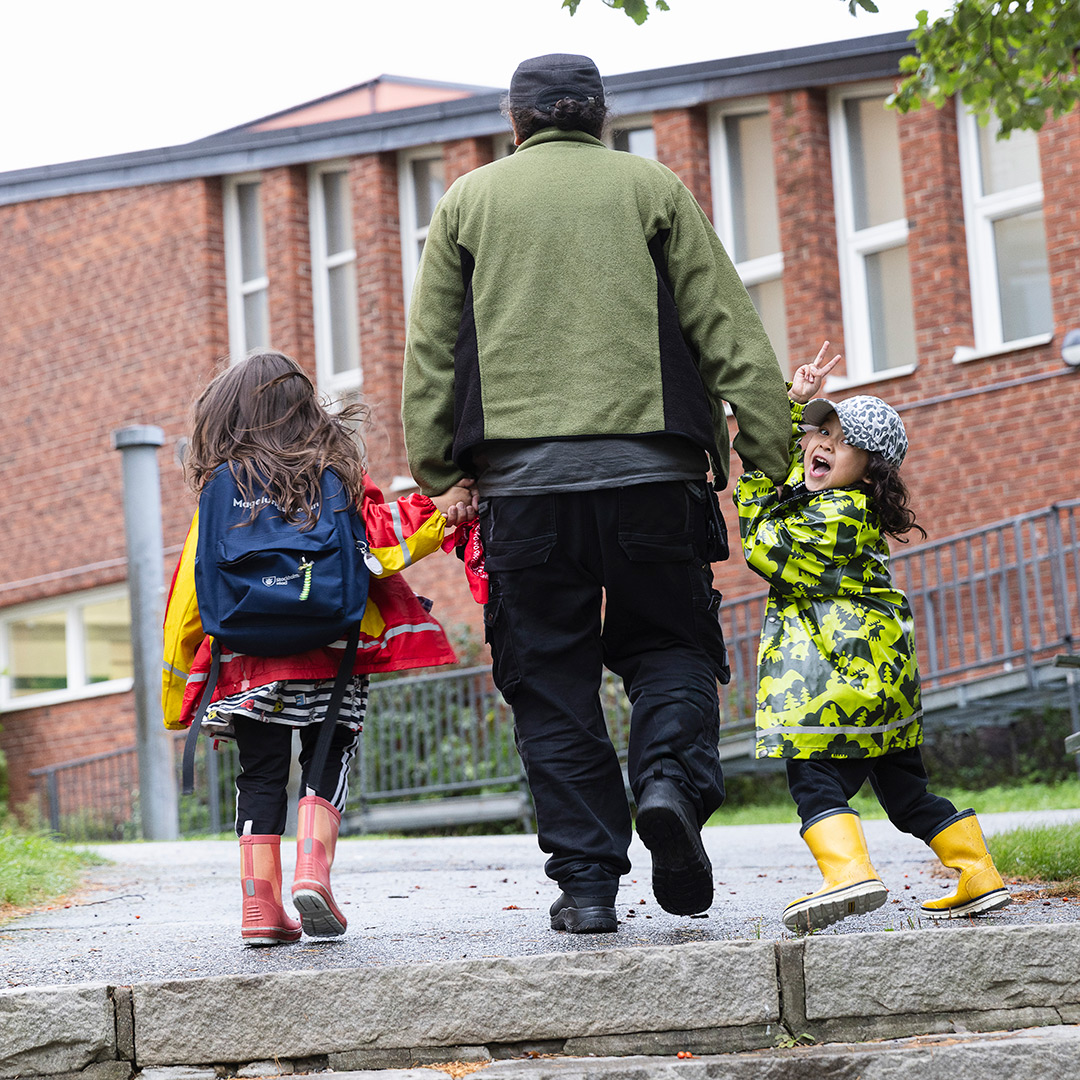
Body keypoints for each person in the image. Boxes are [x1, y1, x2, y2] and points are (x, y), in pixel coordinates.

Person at [401, 53, 792, 932]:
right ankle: (668, 786)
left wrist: (440, 471)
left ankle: (586, 888)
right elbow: (727, 325)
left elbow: (430, 354)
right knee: (673, 648)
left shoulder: (469, 202)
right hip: (655, 482)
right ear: (601, 118)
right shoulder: (652, 188)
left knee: (550, 682)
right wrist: (767, 453)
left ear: (516, 123)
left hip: (524, 496)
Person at [162, 350, 476, 946]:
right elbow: (383, 545)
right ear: (305, 413)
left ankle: (260, 909)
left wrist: (180, 693)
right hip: (331, 657)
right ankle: (314, 873)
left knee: (258, 774)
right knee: (326, 757)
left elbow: (187, 602)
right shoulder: (333, 481)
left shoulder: (219, 499)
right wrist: (444, 514)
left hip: (246, 667)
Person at [734, 342, 1011, 932]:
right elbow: (794, 475)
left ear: (873, 468)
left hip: (834, 679)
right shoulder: (842, 507)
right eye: (818, 432)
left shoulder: (835, 516)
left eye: (843, 438)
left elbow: (762, 545)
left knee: (814, 777)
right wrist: (791, 406)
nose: (822, 442)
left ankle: (849, 872)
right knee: (907, 792)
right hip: (878, 686)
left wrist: (756, 481)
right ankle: (977, 872)